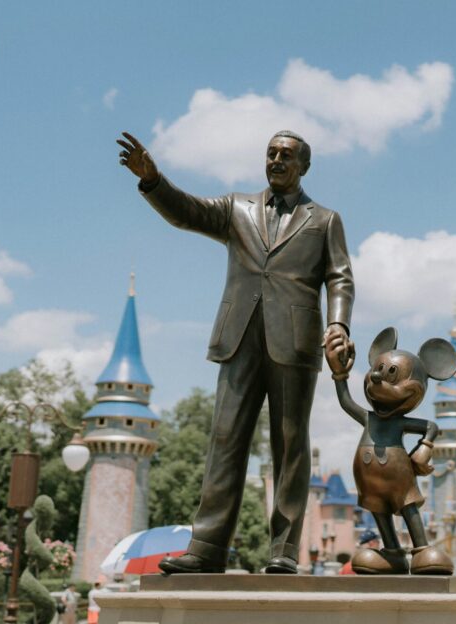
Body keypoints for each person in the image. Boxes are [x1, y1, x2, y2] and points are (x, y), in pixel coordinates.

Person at [119, 129, 355, 575]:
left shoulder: (325, 220)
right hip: (238, 337)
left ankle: (284, 549)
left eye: (286, 155)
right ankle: (207, 547)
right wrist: (153, 180)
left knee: (290, 446)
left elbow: (340, 277)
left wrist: (338, 324)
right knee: (225, 440)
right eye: (271, 153)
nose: (276, 160)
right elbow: (187, 212)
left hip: (295, 342)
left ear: (304, 166)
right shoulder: (236, 208)